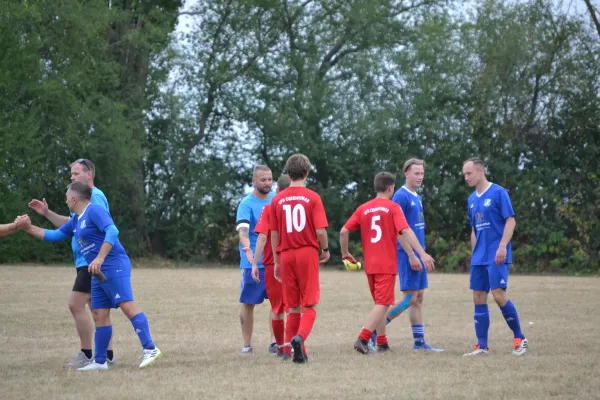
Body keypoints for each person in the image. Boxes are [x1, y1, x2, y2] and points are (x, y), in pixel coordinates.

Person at [15, 181, 162, 370]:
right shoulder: (76, 220)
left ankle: (150, 348)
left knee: (127, 306)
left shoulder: (94, 211)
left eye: (67, 197)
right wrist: (26, 227)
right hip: (97, 270)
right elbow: (53, 236)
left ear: (74, 198)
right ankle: (100, 362)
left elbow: (113, 230)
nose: (66, 200)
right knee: (99, 313)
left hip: (113, 264)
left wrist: (100, 258)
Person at [27, 158, 116, 368]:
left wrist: (100, 258)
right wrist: (47, 214)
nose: (72, 178)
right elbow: (71, 226)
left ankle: (87, 353)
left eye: (76, 174)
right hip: (84, 261)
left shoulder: (95, 197)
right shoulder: (82, 200)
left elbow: (105, 227)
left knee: (75, 304)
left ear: (89, 175)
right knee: (98, 310)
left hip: (91, 261)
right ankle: (107, 356)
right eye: (71, 175)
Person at [341, 171, 423, 353]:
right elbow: (406, 231)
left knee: (380, 303)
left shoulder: (363, 208)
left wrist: (346, 253)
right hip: (386, 264)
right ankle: (362, 339)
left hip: (370, 265)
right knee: (383, 303)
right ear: (391, 188)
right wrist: (422, 253)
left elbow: (343, 231)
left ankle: (382, 342)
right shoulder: (393, 208)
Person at [462, 157, 528, 356]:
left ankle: (520, 338)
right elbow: (474, 229)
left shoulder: (498, 192)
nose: (466, 178)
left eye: (469, 173)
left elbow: (510, 221)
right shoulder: (471, 199)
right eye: (464, 175)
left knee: (498, 295)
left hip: (497, 253)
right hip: (479, 257)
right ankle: (482, 346)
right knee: (478, 297)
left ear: (481, 171)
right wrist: (474, 254)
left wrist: (502, 246)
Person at [269, 154, 330, 363]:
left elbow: (274, 234)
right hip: (306, 252)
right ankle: (299, 338)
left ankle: (289, 351)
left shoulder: (276, 199)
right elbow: (320, 231)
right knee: (310, 306)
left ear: (288, 173)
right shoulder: (313, 197)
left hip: (285, 254)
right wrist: (326, 249)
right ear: (306, 173)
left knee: (292, 306)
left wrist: (276, 261)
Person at [381, 158, 443, 352]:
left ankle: (419, 342)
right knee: (409, 298)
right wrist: (411, 255)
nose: (420, 177)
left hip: (418, 253)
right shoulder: (401, 196)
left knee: (418, 298)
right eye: (416, 173)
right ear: (406, 173)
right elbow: (398, 231)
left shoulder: (416, 196)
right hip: (408, 255)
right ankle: (374, 332)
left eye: (422, 173)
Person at [235, 165, 275, 354]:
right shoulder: (246, 204)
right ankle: (247, 344)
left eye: (269, 179)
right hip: (252, 263)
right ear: (254, 181)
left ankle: (276, 342)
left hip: (274, 261)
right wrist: (248, 250)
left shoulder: (277, 199)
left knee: (278, 304)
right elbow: (243, 231)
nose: (267, 183)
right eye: (263, 180)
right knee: (249, 303)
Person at [251, 174, 292, 358]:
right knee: (294, 307)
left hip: (271, 264)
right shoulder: (299, 207)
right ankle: (293, 343)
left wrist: (254, 263)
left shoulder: (269, 208)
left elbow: (262, 237)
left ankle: (281, 347)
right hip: (294, 262)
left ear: (276, 191)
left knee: (277, 308)